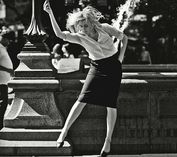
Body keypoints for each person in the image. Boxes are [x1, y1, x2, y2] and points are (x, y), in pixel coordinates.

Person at [43, 0, 128, 156]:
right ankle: (64, 131)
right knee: (82, 98)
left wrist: (120, 58)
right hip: (97, 67)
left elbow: (124, 38)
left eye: (85, 26)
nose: (82, 29)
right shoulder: (80, 37)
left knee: (111, 104)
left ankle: (107, 141)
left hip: (114, 67)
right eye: (79, 27)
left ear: (91, 23)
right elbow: (60, 35)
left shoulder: (105, 28)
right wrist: (50, 14)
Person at [0, 31, 13, 129]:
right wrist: (8, 70)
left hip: (3, 82)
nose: (9, 42)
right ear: (4, 38)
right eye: (9, 40)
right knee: (2, 103)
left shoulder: (3, 48)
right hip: (0, 82)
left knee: (3, 103)